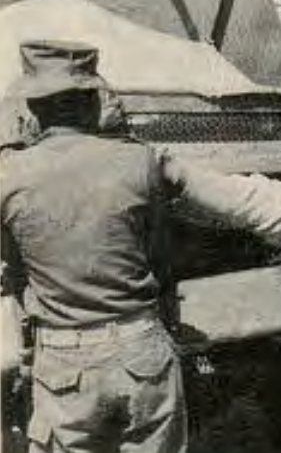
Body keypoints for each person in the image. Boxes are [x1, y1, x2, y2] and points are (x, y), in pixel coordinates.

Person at [1, 41, 187, 453]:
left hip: (63, 367)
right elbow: (162, 259)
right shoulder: (140, 162)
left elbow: (14, 273)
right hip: (143, 355)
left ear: (33, 109)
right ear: (92, 103)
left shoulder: (8, 175)